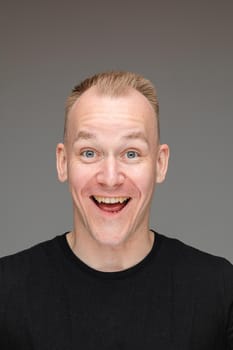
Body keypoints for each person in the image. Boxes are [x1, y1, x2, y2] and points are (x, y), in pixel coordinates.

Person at [0, 71, 232, 349]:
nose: (110, 178)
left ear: (160, 163)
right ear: (63, 162)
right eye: (89, 152)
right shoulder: (6, 290)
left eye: (131, 153)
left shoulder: (218, 289)